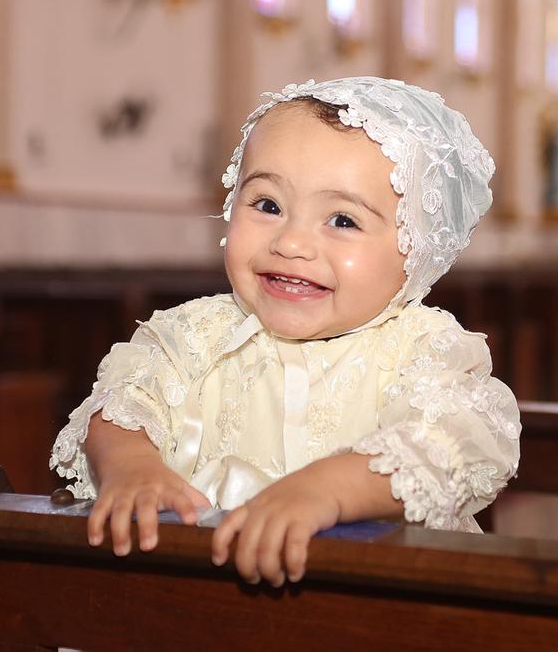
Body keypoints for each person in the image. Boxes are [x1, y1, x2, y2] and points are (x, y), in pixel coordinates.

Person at [50, 77, 521, 587]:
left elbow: (458, 442)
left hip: (376, 605)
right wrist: (131, 465)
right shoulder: (192, 335)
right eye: (268, 205)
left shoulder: (423, 349)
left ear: (417, 252)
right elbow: (123, 402)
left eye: (342, 220)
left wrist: (326, 490)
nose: (292, 242)